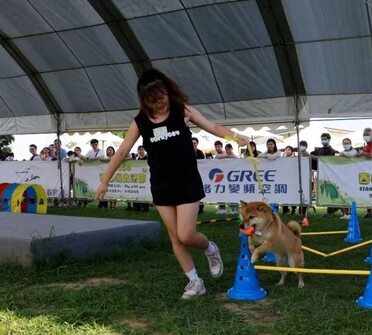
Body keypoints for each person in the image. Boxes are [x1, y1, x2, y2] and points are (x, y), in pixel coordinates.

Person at [96, 69, 249, 299]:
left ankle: (210, 248)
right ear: (144, 100)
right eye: (151, 100)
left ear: (168, 91)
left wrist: (237, 138)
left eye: (161, 97)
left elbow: (214, 128)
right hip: (161, 185)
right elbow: (122, 151)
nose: (158, 104)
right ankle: (195, 282)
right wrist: (104, 182)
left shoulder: (183, 111)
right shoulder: (140, 122)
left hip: (186, 181)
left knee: (186, 234)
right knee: (175, 237)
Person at [311, 133, 338, 218]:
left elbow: (324, 160)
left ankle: (331, 211)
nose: (323, 140)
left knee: (330, 192)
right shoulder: (320, 150)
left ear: (329, 139)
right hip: (322, 174)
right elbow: (314, 155)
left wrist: (312, 156)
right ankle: (331, 210)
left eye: (325, 139)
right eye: (322, 139)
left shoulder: (331, 150)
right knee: (327, 193)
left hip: (330, 174)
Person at [358, 128, 372, 219]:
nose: (365, 136)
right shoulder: (365, 146)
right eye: (364, 135)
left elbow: (371, 155)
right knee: (366, 192)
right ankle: (368, 212)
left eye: (367, 134)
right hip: (365, 172)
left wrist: (362, 153)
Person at [281, 145, 297, 216]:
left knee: (292, 195)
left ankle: (293, 208)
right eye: (286, 150)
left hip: (292, 180)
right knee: (284, 195)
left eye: (289, 150)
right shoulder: (281, 160)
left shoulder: (295, 160)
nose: (287, 151)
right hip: (284, 180)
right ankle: (285, 210)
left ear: (292, 152)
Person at [192, 138, 205, 215]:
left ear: (197, 144)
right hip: (190, 175)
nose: (193, 144)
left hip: (200, 175)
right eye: (192, 143)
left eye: (195, 143)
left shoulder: (200, 153)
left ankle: (201, 208)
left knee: (199, 190)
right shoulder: (187, 151)